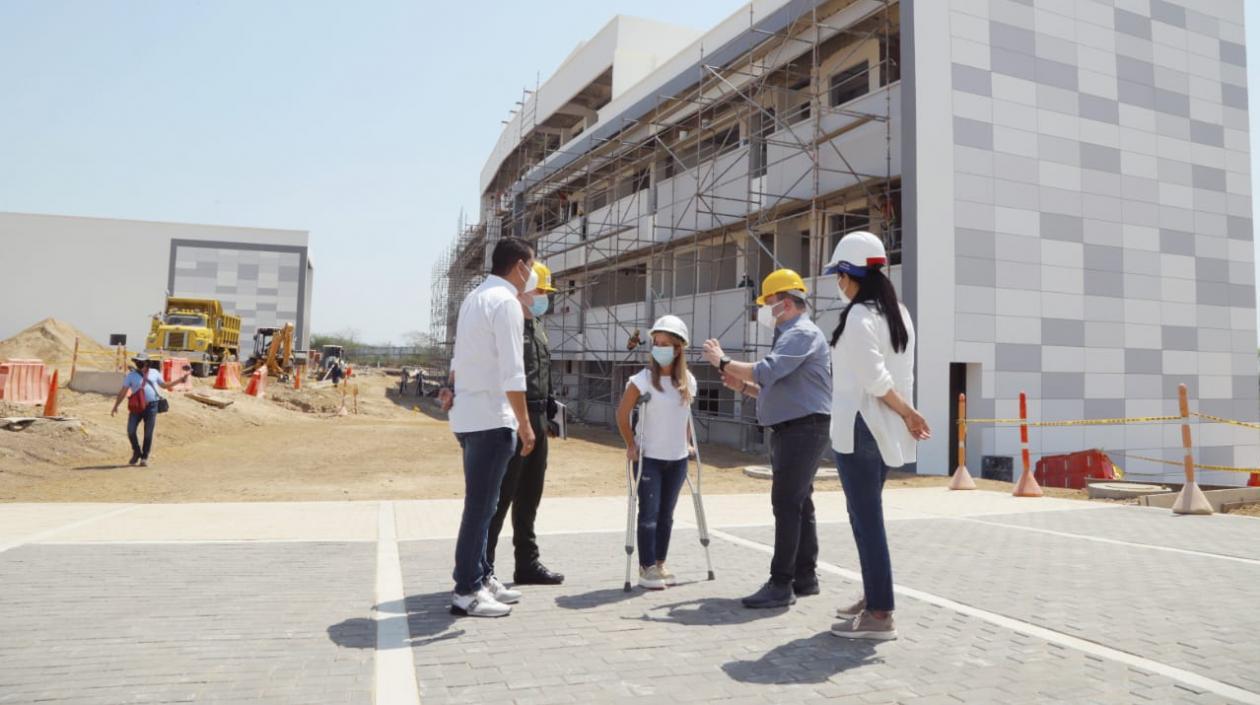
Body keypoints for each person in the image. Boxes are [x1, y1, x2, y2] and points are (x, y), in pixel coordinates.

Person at [702, 269, 832, 609]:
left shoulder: (801, 332)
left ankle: (781, 583)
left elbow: (767, 370)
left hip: (802, 429)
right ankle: (805, 576)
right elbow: (777, 386)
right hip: (799, 426)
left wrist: (725, 361)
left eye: (767, 303)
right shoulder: (793, 334)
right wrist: (742, 386)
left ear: (785, 303)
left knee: (787, 503)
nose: (762, 310)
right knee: (800, 503)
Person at [822, 232, 930, 641]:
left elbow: (875, 379)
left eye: (839, 275)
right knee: (865, 516)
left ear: (851, 274)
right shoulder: (898, 313)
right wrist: (904, 415)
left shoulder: (859, 318)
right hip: (882, 430)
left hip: (861, 428)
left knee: (866, 520)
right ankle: (873, 596)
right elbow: (900, 374)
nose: (838, 283)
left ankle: (881, 613)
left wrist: (909, 412)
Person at [439, 237, 537, 618]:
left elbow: (460, 356)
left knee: (485, 504)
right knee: (480, 508)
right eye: (532, 266)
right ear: (519, 266)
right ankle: (466, 591)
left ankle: (480, 576)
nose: (532, 275)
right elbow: (513, 371)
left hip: (467, 416)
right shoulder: (507, 303)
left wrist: (450, 387)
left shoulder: (474, 298)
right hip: (491, 418)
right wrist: (525, 425)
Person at [486, 261, 565, 586]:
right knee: (501, 496)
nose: (545, 298)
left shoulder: (538, 326)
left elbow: (540, 374)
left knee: (530, 495)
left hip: (538, 415)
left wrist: (550, 413)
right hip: (514, 415)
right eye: (540, 291)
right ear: (523, 289)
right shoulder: (510, 322)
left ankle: (527, 564)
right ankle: (483, 567)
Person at [616, 315, 696, 590]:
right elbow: (623, 414)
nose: (659, 348)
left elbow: (686, 418)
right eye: (656, 343)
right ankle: (646, 567)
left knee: (667, 515)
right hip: (649, 458)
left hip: (677, 460)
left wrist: (687, 443)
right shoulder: (642, 380)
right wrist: (631, 444)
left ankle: (660, 563)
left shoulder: (689, 382)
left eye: (665, 343)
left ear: (678, 349)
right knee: (648, 514)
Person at [110, 353, 191, 467]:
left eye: (141, 361)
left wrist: (180, 380)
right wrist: (115, 406)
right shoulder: (131, 375)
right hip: (136, 406)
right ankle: (137, 452)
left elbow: (164, 385)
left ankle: (144, 457)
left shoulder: (154, 373)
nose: (139, 363)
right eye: (137, 361)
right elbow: (123, 391)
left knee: (148, 433)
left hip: (152, 406)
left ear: (147, 362)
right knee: (131, 430)